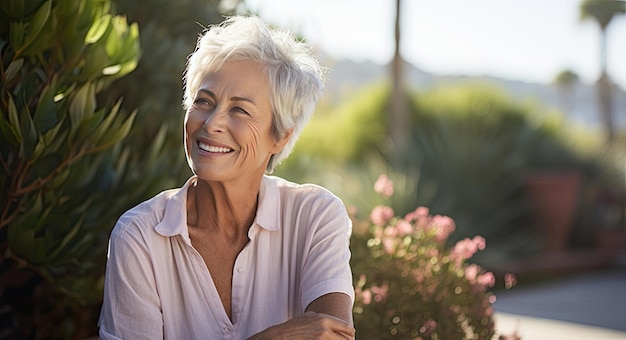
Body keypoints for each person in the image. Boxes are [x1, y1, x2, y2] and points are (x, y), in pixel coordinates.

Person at [98, 15, 355, 339]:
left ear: (280, 137)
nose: (211, 123)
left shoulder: (315, 216)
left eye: (239, 110)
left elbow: (335, 335)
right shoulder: (139, 238)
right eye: (204, 101)